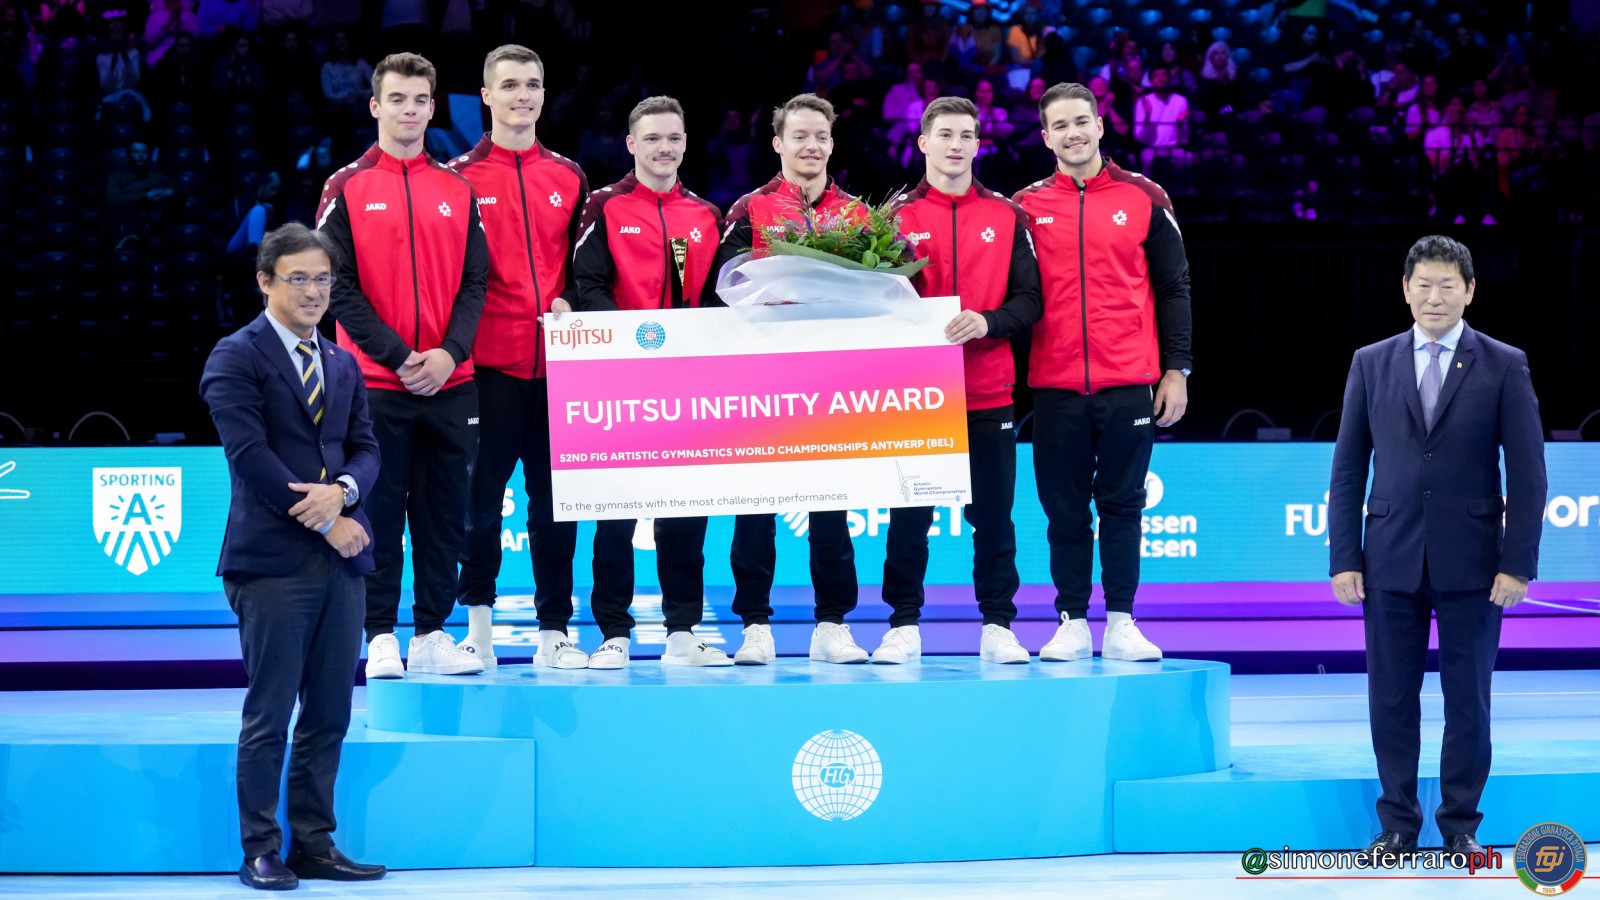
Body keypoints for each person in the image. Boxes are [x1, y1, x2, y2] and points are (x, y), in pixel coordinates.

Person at [1328, 235, 1546, 865]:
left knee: (1468, 702)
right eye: (1423, 284)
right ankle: (1397, 824)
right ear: (1405, 289)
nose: (1434, 296)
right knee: (1390, 699)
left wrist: (1517, 563)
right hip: (1388, 559)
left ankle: (1459, 826)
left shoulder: (1504, 364)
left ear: (1470, 291)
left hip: (1474, 565)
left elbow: (1528, 473)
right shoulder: (1371, 362)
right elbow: (1348, 467)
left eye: (1448, 285)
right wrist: (1344, 557)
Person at [199, 223, 386, 890]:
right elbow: (251, 457)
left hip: (341, 565)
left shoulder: (341, 361)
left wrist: (345, 493)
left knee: (330, 712)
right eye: (298, 278)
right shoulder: (235, 355)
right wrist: (326, 520)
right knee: (271, 711)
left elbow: (366, 448)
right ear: (265, 281)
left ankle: (315, 843)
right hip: (271, 562)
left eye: (323, 279)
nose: (313, 291)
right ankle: (260, 848)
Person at [316, 52, 488, 679]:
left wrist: (448, 354)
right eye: (397, 99)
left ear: (432, 108)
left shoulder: (458, 188)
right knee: (379, 510)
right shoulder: (345, 187)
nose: (409, 110)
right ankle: (381, 633)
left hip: (451, 382)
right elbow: (335, 286)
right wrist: (399, 356)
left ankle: (433, 632)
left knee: (445, 516)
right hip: (374, 383)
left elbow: (475, 283)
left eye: (419, 100)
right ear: (375, 105)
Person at [1013, 82, 1193, 662]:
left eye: (1081, 122)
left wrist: (1177, 369)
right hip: (1054, 385)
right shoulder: (1025, 206)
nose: (1073, 133)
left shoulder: (1145, 196)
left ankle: (1120, 622)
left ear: (1099, 125)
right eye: (1060, 126)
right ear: (1046, 137)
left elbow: (1173, 287)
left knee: (1122, 506)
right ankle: (1071, 621)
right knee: (1063, 512)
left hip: (1128, 382)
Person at [703, 93, 869, 665]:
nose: (810, 146)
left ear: (832, 143)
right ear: (778, 143)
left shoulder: (858, 215)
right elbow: (717, 292)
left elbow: (885, 294)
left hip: (832, 391)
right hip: (763, 387)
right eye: (799, 136)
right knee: (755, 511)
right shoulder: (750, 209)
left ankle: (832, 626)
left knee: (832, 512)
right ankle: (755, 626)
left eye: (820, 136)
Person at [567, 95, 730, 668]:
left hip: (688, 388)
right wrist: (635, 345)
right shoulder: (604, 206)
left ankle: (682, 630)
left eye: (674, 138)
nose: (664, 148)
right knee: (615, 513)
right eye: (653, 138)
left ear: (685, 144)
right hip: (620, 385)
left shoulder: (706, 215)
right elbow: (587, 285)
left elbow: (718, 299)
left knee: (685, 512)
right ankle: (613, 632)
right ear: (632, 144)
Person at [880, 96, 1042, 665]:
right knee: (909, 517)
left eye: (966, 135)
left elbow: (1030, 300)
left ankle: (998, 625)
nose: (956, 145)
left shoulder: (1006, 215)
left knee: (993, 518)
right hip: (917, 397)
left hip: (988, 392)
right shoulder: (893, 217)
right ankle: (903, 625)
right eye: (945, 134)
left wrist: (989, 321)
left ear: (978, 144)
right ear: (922, 142)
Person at [448, 44, 591, 671]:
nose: (522, 95)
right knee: (478, 505)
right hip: (487, 369)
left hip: (558, 371)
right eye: (509, 85)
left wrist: (570, 301)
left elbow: (585, 270)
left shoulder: (569, 176)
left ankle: (554, 631)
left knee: (556, 507)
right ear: (486, 96)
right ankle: (477, 630)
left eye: (532, 84)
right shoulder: (457, 178)